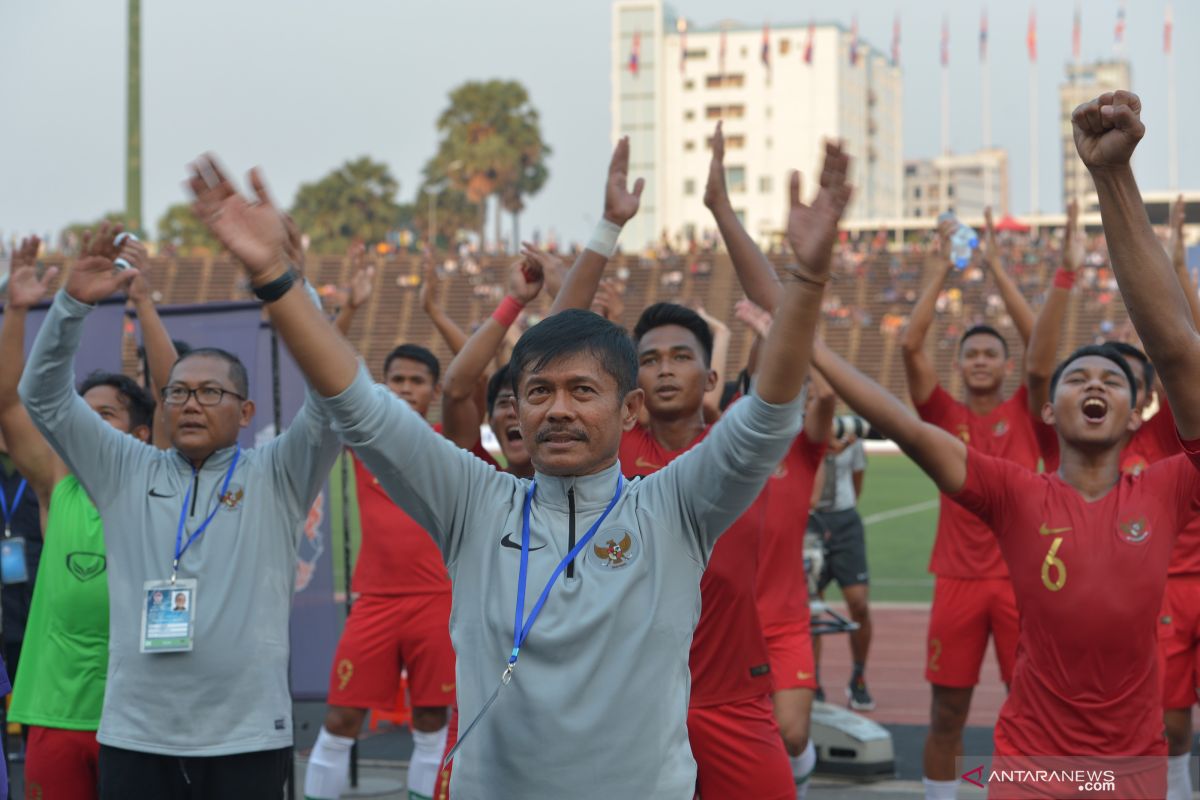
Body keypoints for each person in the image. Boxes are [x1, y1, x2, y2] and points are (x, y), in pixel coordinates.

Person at [187, 135, 847, 799]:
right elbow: (358, 405)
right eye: (539, 392)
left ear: (629, 411)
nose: (558, 410)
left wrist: (808, 281)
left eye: (582, 391)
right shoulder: (477, 503)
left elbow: (768, 413)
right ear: (517, 410)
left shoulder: (671, 508)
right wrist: (277, 279)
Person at [808, 90, 1199, 798]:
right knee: (948, 711)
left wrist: (1113, 178)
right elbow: (904, 423)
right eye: (1077, 375)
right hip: (1027, 768)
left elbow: (1177, 351)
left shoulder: (1171, 482)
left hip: (1132, 771)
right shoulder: (1016, 491)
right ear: (1047, 408)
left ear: (1135, 405)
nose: (1095, 384)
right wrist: (802, 329)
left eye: (1111, 378)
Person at [19, 221, 342, 800]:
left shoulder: (277, 474)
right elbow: (42, 394)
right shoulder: (123, 471)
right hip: (137, 734)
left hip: (246, 737)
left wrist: (294, 287)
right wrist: (69, 304)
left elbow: (333, 397)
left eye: (209, 392)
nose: (190, 403)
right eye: (177, 392)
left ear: (245, 412)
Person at [0, 237, 157, 800]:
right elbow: (10, 403)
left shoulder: (158, 489)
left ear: (141, 435)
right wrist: (16, 310)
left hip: (139, 717)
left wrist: (145, 304)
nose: (88, 429)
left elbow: (169, 393)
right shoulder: (58, 484)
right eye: (81, 418)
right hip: (58, 713)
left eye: (105, 417)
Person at [899, 209, 1042, 799]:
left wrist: (993, 267)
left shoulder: (1028, 413)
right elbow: (910, 345)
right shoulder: (944, 417)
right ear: (959, 366)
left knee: (1031, 710)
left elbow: (1040, 339)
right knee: (947, 714)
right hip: (956, 582)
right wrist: (939, 270)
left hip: (1019, 583)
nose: (981, 361)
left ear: (1008, 368)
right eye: (972, 354)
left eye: (991, 354)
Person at [809, 410, 871, 709]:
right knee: (811, 609)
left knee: (858, 603)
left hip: (845, 521)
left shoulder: (851, 435)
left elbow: (858, 481)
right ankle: (813, 681)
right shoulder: (805, 432)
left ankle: (858, 676)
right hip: (811, 520)